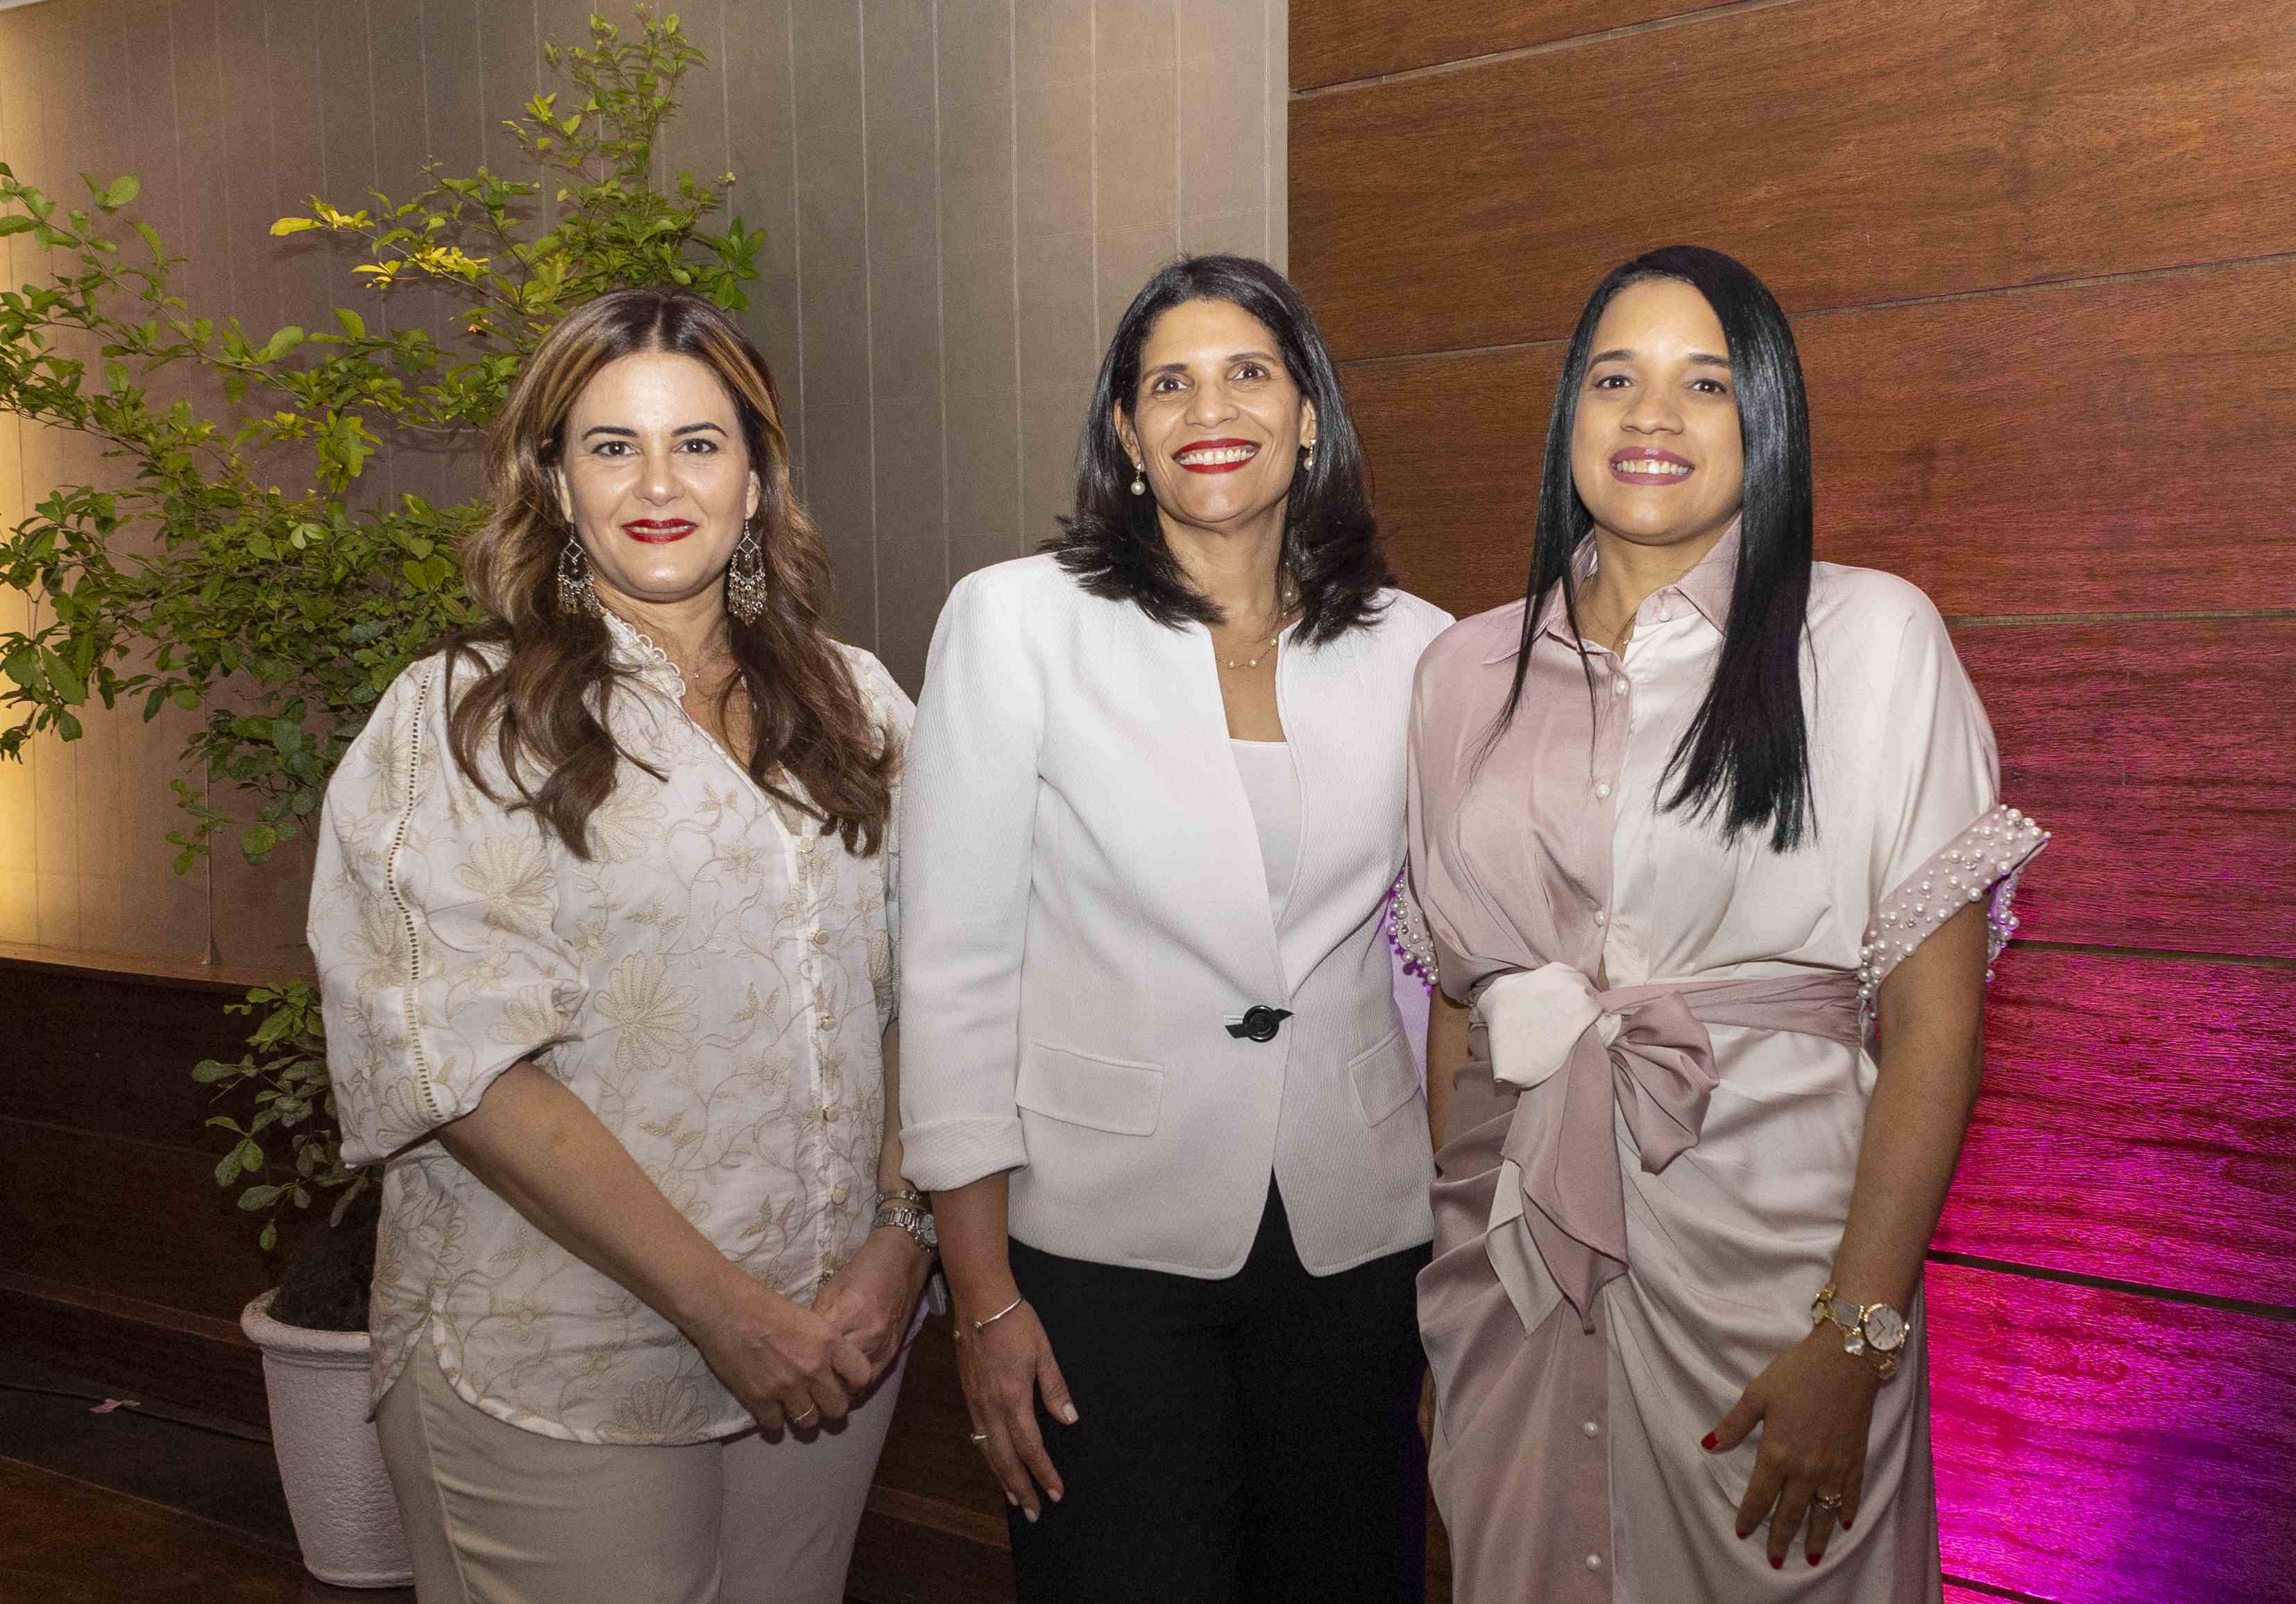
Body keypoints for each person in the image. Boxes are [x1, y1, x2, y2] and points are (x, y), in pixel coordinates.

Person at [1400, 245, 2046, 1602]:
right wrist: (1447, 1296)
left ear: (1765, 416)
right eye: (1613, 378)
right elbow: (1463, 1006)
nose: (1651, 415)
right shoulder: (1461, 668)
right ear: (1567, 412)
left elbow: (1932, 1026)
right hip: (1516, 1284)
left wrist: (1854, 1340)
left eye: (1702, 381)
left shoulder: (1867, 638)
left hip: (1771, 1294)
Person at [307, 287, 933, 1604]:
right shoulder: (460, 723)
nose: (658, 483)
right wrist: (724, 1309)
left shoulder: (862, 704)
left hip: (836, 1336)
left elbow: (932, 994)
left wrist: (900, 1237)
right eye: (611, 446)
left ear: (757, 483)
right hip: (557, 1353)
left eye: (699, 445)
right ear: (553, 480)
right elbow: (463, 1068)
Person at [898, 254, 1451, 1603]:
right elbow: (953, 969)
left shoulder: (1420, 649)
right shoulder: (1014, 623)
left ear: (1307, 414)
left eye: (1248, 372)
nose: (1211, 405)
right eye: (1169, 382)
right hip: (1096, 1253)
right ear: (1129, 436)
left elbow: (1433, 966)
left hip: (1356, 1241)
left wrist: (1457, 1250)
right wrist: (979, 1296)